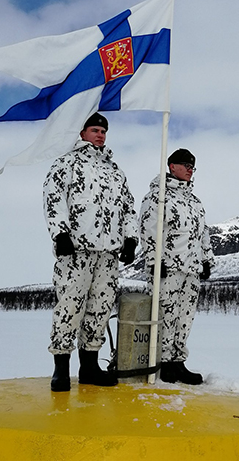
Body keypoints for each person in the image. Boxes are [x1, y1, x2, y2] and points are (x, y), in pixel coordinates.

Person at [43, 112, 137, 392]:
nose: (100, 135)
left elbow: (128, 208)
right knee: (69, 307)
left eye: (103, 131)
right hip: (76, 251)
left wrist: (130, 239)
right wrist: (60, 233)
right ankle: (61, 368)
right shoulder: (67, 163)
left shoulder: (114, 171)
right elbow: (54, 199)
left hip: (108, 254)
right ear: (82, 132)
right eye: (95, 129)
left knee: (100, 309)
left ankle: (90, 367)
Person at [139, 148, 214, 385]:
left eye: (193, 166)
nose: (191, 170)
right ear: (172, 166)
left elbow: (203, 232)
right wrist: (153, 261)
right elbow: (148, 229)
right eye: (186, 165)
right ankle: (162, 363)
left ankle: (177, 362)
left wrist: (206, 259)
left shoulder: (194, 202)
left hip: (190, 268)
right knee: (165, 316)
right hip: (168, 267)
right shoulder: (158, 196)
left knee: (185, 317)